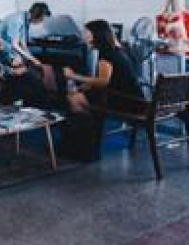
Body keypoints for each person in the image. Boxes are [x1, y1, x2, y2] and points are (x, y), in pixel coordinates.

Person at [59, 19, 142, 161]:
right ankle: (85, 142)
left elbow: (103, 81)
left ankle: (83, 147)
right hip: (133, 98)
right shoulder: (119, 50)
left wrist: (73, 76)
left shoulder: (106, 54)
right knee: (79, 96)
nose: (83, 34)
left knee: (74, 99)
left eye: (86, 32)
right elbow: (111, 79)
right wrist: (86, 85)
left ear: (96, 35)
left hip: (125, 101)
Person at [0, 29, 47, 106]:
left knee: (33, 73)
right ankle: (43, 104)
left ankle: (40, 104)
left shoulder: (2, 53)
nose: (0, 42)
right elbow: (1, 73)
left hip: (8, 83)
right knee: (30, 78)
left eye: (0, 39)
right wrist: (15, 70)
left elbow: (16, 63)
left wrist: (18, 53)